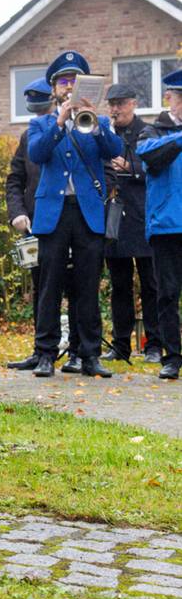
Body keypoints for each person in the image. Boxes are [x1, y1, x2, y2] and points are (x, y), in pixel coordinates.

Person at [28, 51, 122, 378]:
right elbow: (37, 153)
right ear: (54, 88)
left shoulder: (100, 122)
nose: (68, 86)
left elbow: (115, 151)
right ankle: (44, 353)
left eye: (74, 80)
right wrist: (59, 122)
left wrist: (94, 124)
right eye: (63, 81)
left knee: (87, 284)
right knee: (49, 285)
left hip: (87, 212)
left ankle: (90, 354)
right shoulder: (40, 123)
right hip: (54, 213)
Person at [5, 78, 84, 372]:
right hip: (36, 224)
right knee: (42, 287)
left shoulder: (74, 132)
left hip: (71, 219)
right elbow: (15, 179)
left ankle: (77, 351)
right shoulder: (30, 136)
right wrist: (17, 213)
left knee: (76, 286)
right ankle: (41, 351)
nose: (38, 115)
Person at [102, 83, 163, 364]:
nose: (116, 109)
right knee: (120, 286)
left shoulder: (147, 131)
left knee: (152, 285)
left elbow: (155, 168)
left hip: (143, 216)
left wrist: (131, 169)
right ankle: (121, 345)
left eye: (121, 103)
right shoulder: (105, 132)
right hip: (116, 219)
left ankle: (154, 344)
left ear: (134, 104)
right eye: (112, 104)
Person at [137, 70, 182, 380]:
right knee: (167, 294)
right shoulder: (153, 131)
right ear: (170, 99)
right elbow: (149, 158)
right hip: (166, 226)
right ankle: (172, 357)